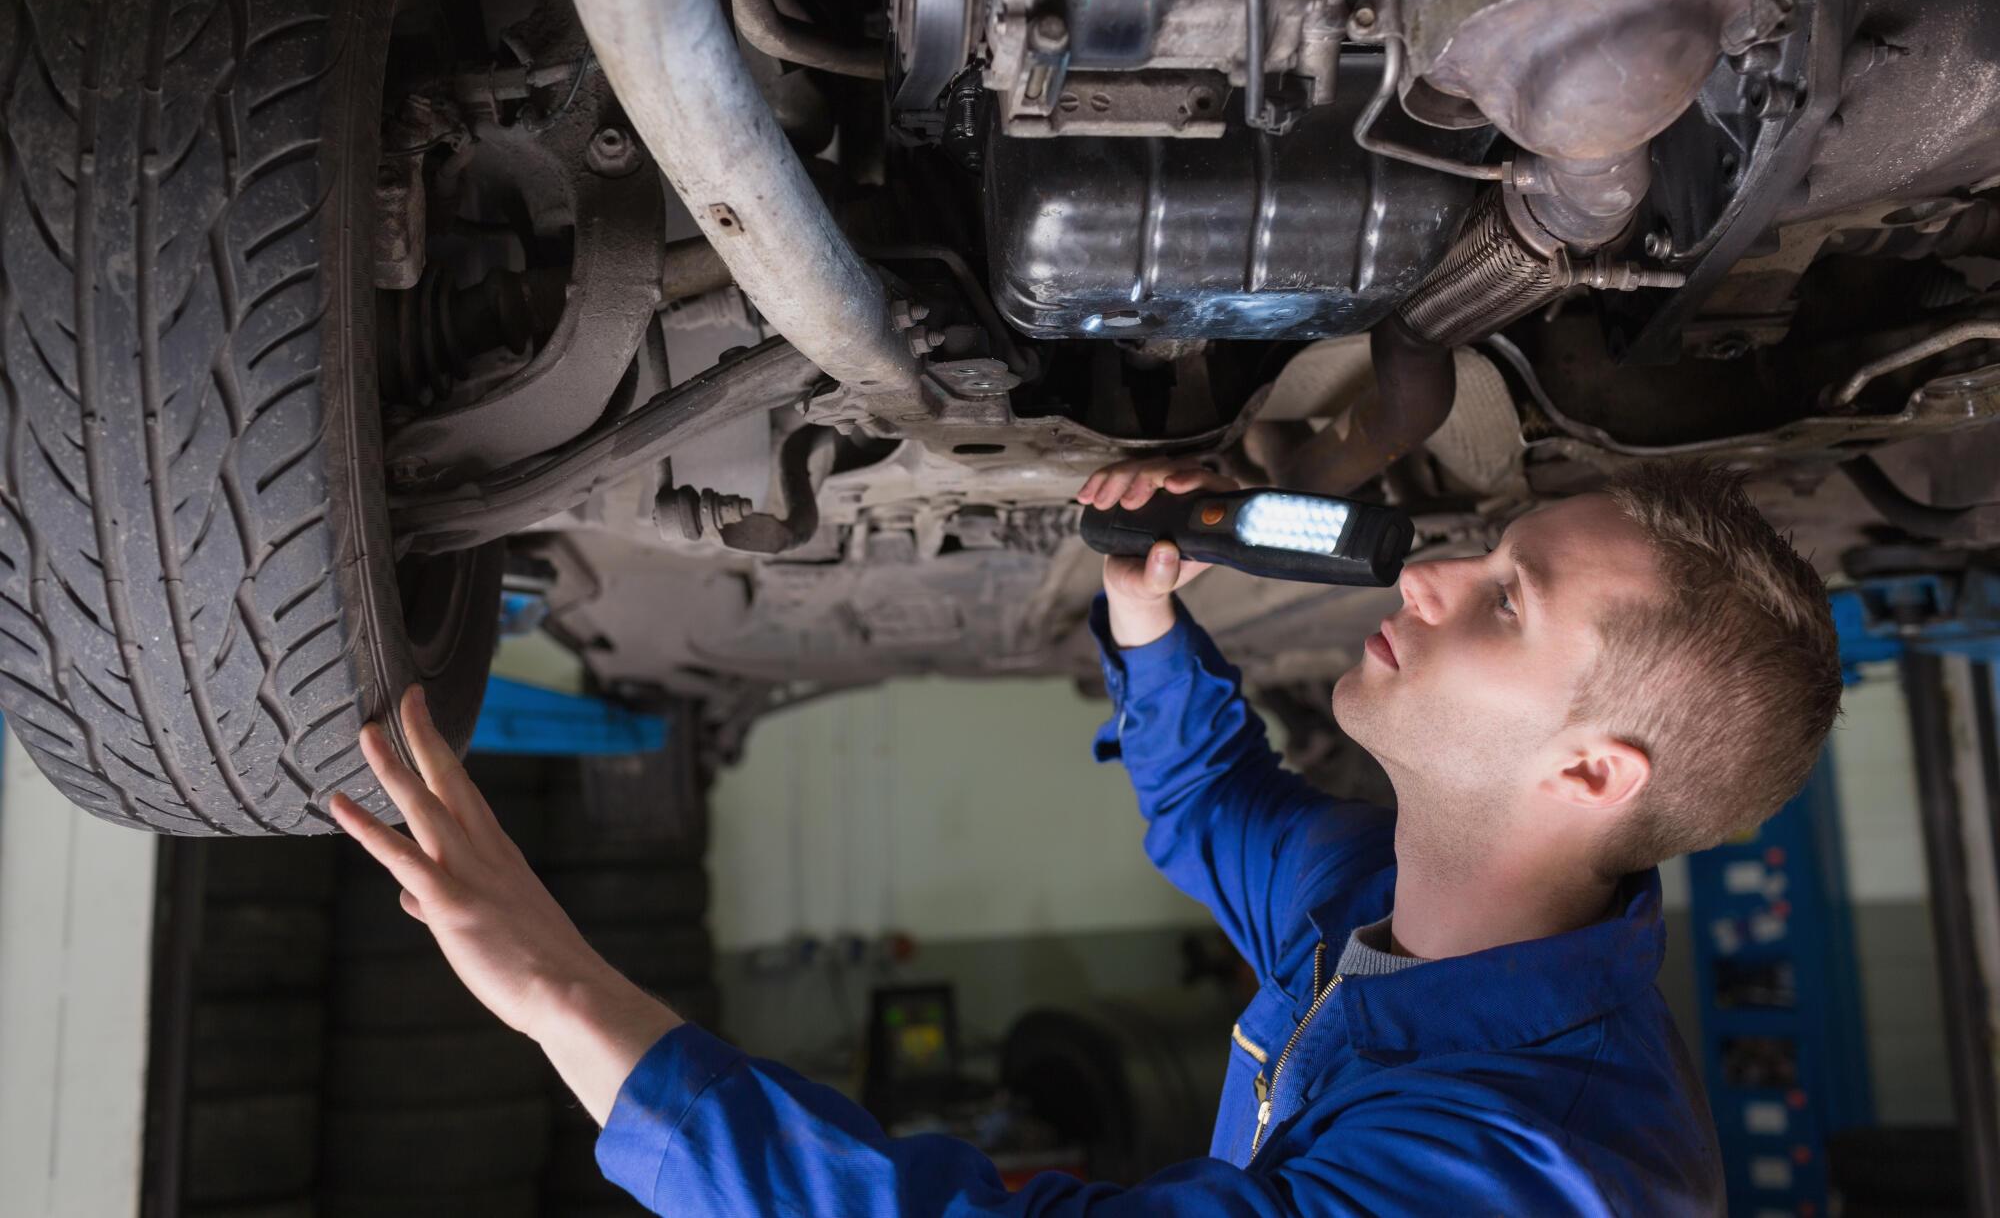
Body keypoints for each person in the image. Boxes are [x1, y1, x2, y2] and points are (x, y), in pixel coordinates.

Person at [332, 456, 1842, 1217]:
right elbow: (1208, 806)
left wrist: (559, 991)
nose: (1436, 574)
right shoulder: (1396, 915)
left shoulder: (1523, 1173)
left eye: (1506, 600)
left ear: (1591, 773)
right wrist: (1143, 610)